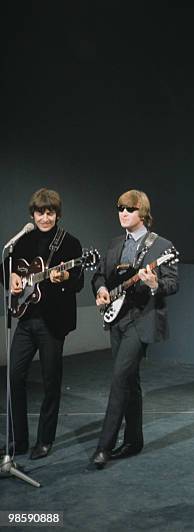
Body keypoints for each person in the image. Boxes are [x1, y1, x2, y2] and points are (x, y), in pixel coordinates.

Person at [90, 190, 179, 469]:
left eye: (129, 208)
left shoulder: (162, 246)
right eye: (120, 208)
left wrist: (154, 284)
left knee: (119, 379)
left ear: (143, 212)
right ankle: (134, 440)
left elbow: (172, 283)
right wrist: (102, 289)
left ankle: (103, 447)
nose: (123, 213)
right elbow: (99, 276)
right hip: (117, 319)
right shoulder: (116, 243)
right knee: (130, 381)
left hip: (142, 321)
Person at [1, 188, 83, 460]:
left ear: (57, 215)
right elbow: (5, 266)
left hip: (52, 323)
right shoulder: (23, 240)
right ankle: (18, 440)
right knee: (14, 377)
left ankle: (45, 440)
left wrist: (63, 279)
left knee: (50, 382)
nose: (45, 218)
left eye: (50, 213)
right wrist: (11, 276)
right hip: (25, 318)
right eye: (40, 213)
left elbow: (78, 281)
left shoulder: (70, 243)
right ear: (32, 214)